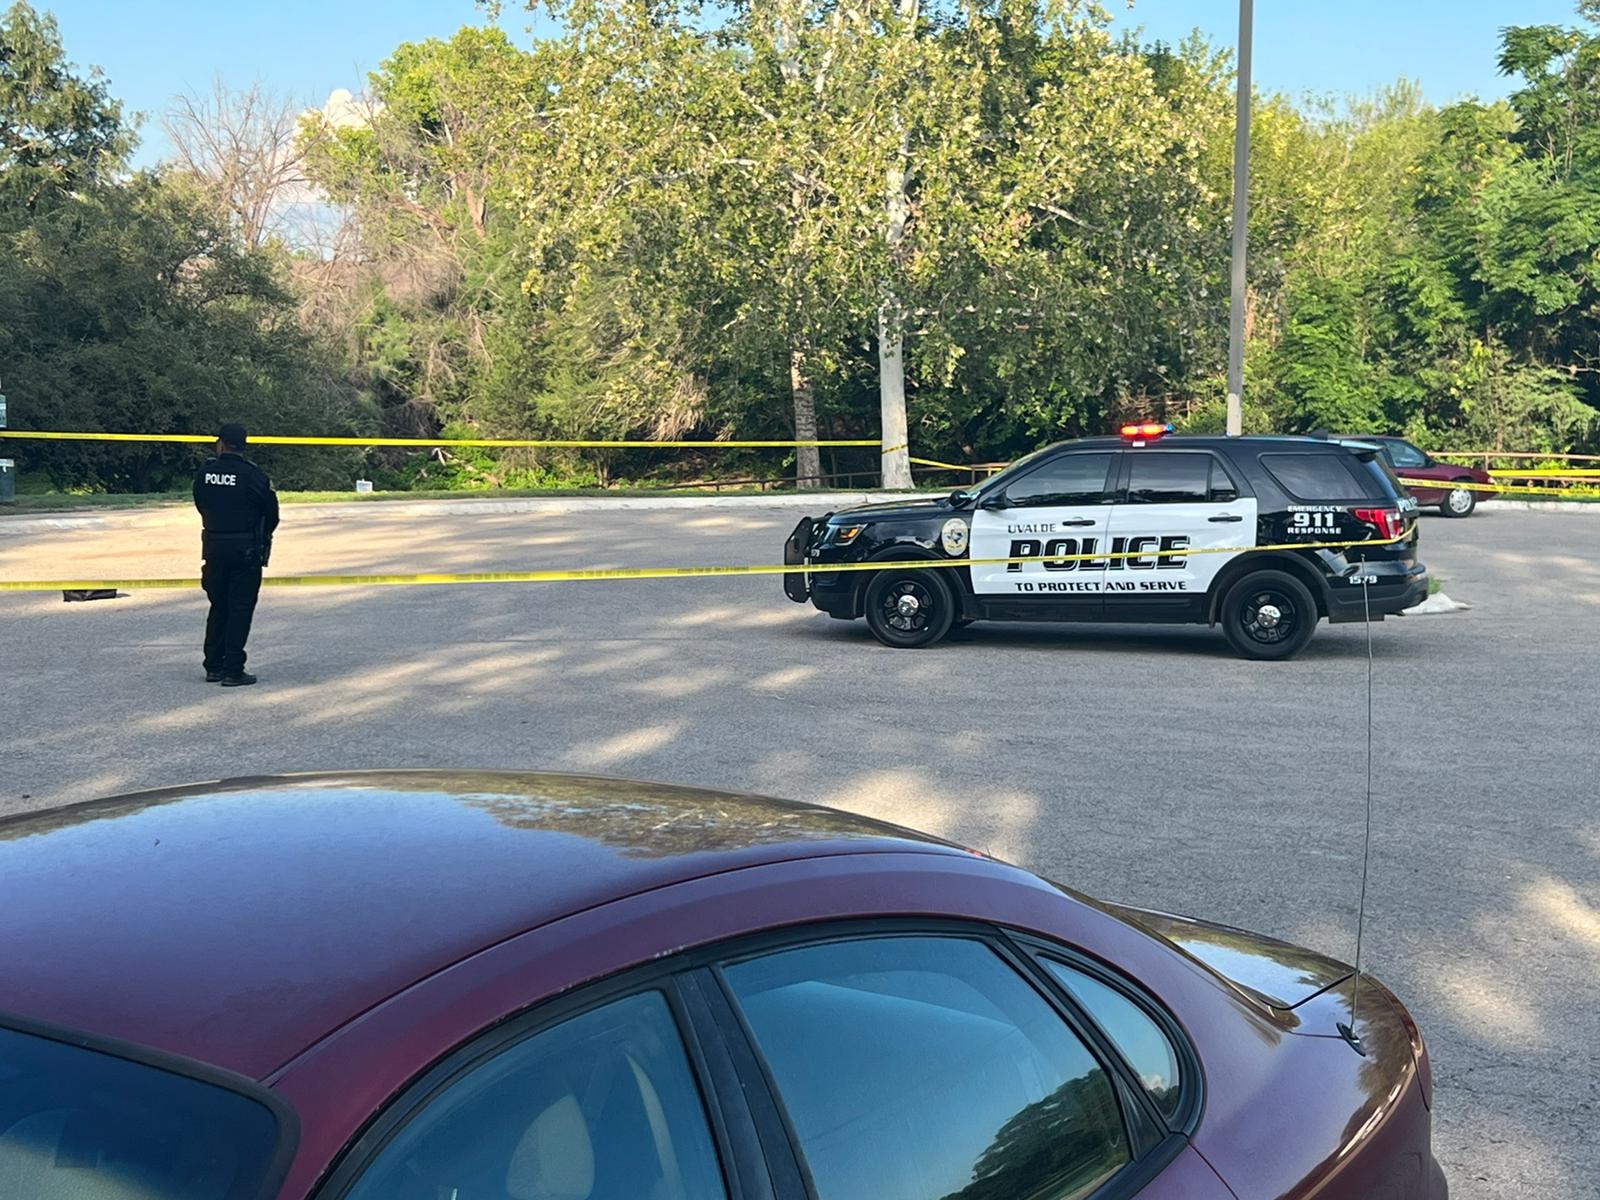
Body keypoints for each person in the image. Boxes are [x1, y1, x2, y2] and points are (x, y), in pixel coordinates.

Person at [193, 423, 279, 686]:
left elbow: (200, 504)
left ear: (221, 444)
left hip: (214, 548)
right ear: (243, 446)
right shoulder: (254, 476)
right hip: (245, 550)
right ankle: (233, 669)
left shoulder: (205, 473)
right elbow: (272, 515)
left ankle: (214, 666)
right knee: (240, 609)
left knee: (219, 606)